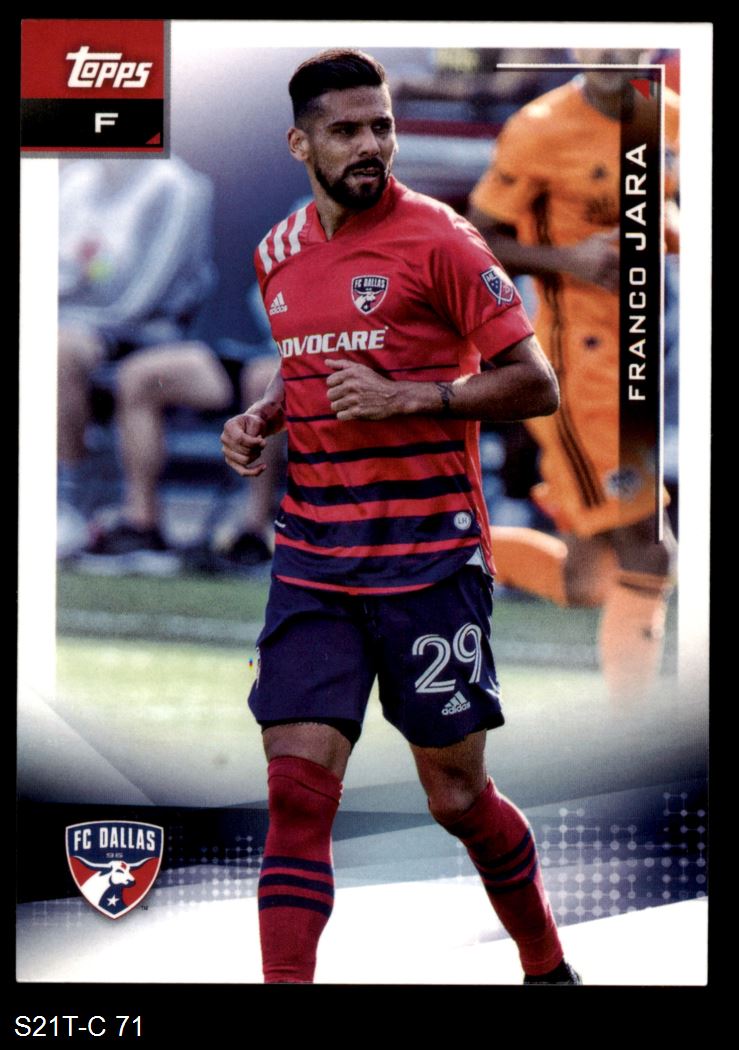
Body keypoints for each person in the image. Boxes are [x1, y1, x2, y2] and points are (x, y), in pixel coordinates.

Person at [221, 49, 580, 986]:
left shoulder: (443, 242)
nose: (370, 145)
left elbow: (535, 385)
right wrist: (265, 415)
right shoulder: (276, 253)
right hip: (313, 561)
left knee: (455, 798)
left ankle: (546, 967)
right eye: (345, 130)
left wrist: (413, 397)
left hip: (428, 562)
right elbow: (309, 365)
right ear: (300, 144)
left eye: (380, 125)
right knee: (298, 796)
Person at [467, 49, 680, 704]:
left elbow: (663, 214)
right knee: (650, 550)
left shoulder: (665, 116)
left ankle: (427, 542)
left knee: (590, 581)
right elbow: (477, 239)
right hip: (578, 365)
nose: (610, 49)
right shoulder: (539, 127)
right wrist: (566, 260)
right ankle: (632, 730)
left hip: (639, 354)